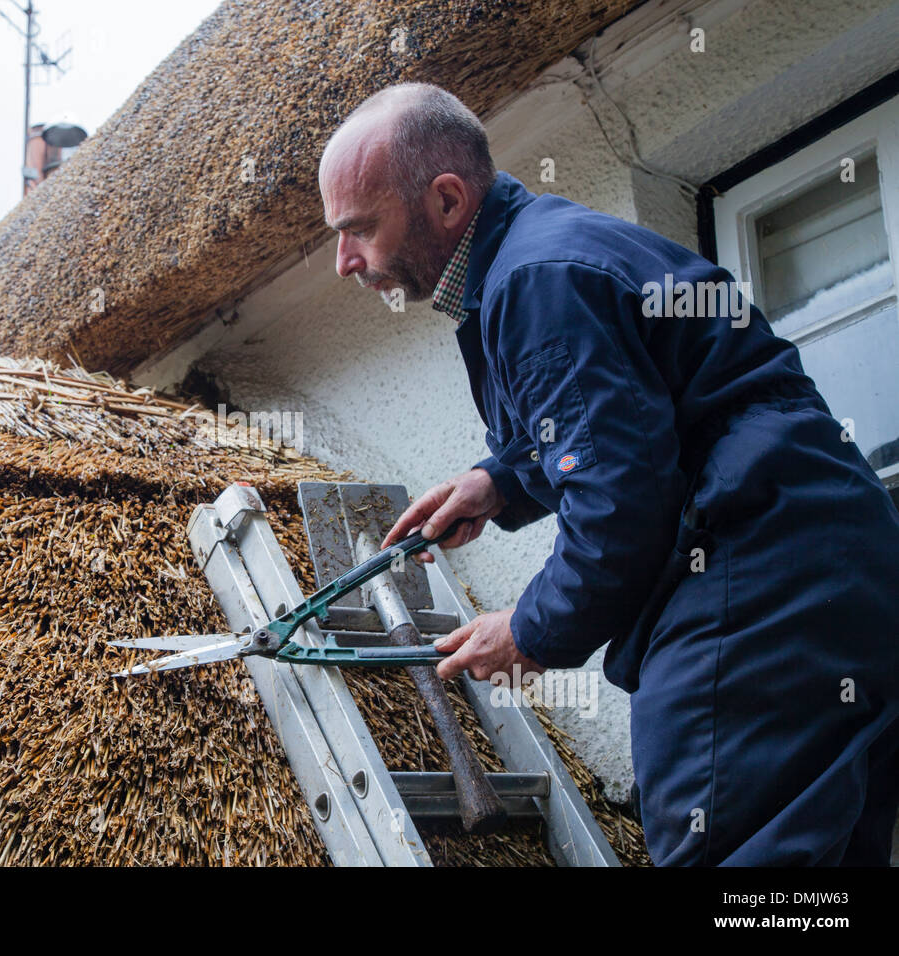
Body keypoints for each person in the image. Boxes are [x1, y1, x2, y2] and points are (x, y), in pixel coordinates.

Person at [318, 81, 899, 865]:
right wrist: (501, 482)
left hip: (754, 581)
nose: (345, 261)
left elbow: (620, 503)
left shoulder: (535, 282)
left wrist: (527, 630)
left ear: (447, 201)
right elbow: (635, 417)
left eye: (358, 229)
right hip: (832, 574)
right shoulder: (543, 252)